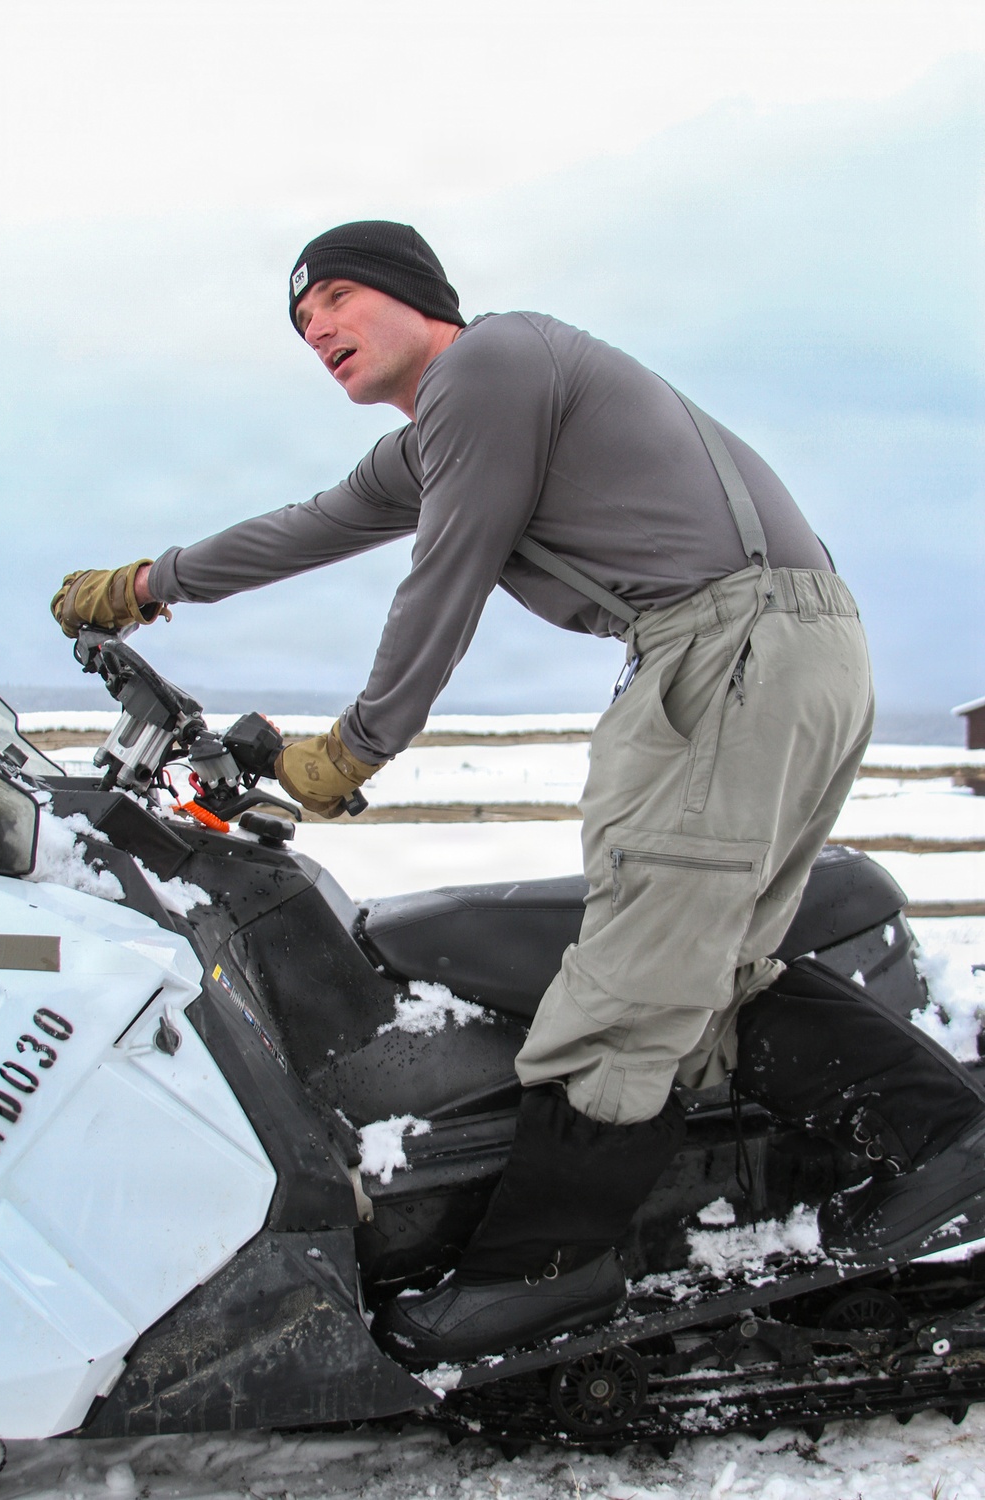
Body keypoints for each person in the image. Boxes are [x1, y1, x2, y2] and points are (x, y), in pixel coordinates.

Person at [52, 220, 985, 1368]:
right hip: (765, 647)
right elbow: (310, 527)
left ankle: (545, 1268)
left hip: (727, 648)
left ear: (416, 297)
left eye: (336, 296)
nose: (317, 328)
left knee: (627, 981)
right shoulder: (450, 430)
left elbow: (446, 568)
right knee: (696, 967)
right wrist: (148, 584)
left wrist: (355, 745)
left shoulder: (488, 366)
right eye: (300, 320)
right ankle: (942, 1141)